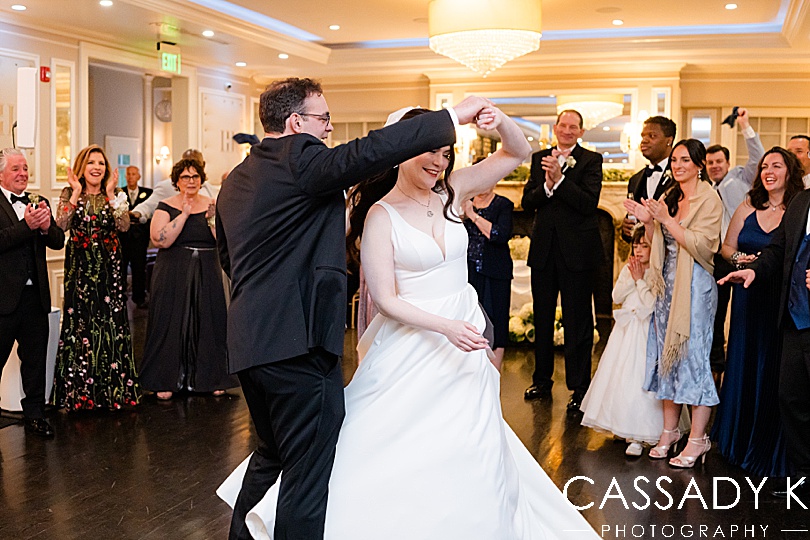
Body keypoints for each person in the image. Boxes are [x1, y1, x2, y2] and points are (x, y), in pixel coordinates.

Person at [219, 103, 600, 540]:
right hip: (416, 340)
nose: (439, 162)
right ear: (403, 149)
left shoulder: (454, 191)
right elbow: (384, 298)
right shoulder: (382, 213)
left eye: (445, 153)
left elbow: (516, 153)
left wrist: (499, 120)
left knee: (470, 442)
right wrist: (445, 326)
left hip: (466, 348)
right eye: (430, 152)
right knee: (385, 443)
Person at [215, 77, 494, 540]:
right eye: (323, 119)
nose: (329, 130)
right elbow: (366, 152)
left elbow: (231, 260)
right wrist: (451, 117)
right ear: (295, 122)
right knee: (306, 474)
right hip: (298, 344)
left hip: (250, 343)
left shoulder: (238, 178)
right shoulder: (299, 159)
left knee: (271, 456)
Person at [624, 139, 722, 467]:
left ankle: (698, 438)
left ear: (699, 165)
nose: (677, 166)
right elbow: (657, 245)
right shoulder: (671, 196)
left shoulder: (709, 198)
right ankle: (670, 431)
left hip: (695, 290)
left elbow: (704, 246)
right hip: (666, 289)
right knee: (666, 357)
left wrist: (665, 220)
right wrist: (649, 222)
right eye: (675, 160)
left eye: (684, 160)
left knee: (693, 359)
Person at [719, 163, 810, 500]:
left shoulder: (796, 199)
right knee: (791, 397)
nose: (769, 170)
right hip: (791, 316)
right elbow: (777, 250)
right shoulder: (802, 204)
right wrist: (753, 270)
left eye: (777, 165)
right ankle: (802, 475)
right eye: (765, 166)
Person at [522, 109, 604, 412]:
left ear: (581, 132)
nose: (567, 130)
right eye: (563, 125)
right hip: (544, 251)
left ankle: (580, 388)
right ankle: (541, 381)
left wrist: (559, 180)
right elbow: (528, 201)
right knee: (542, 319)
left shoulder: (591, 161)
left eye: (574, 127)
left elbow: (587, 203)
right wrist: (546, 185)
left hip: (578, 255)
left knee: (578, 323)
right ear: (555, 128)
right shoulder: (538, 157)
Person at [138, 158, 237, 400]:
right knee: (170, 322)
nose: (191, 181)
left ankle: (212, 378)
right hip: (173, 270)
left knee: (209, 322)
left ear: (201, 179)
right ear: (177, 181)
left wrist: (212, 219)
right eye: (185, 177)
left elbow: (222, 241)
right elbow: (160, 240)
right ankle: (165, 379)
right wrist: (183, 215)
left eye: (195, 177)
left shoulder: (213, 204)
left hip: (207, 269)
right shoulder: (165, 206)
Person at [54, 144, 140, 411]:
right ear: (82, 167)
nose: (96, 167)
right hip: (79, 269)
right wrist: (76, 193)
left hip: (108, 269)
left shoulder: (114, 195)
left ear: (106, 169)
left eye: (101, 163)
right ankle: (78, 394)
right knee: (80, 324)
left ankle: (113, 392)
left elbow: (124, 225)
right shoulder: (70, 193)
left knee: (110, 323)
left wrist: (113, 194)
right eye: (91, 162)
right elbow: (61, 225)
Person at [580, 225, 662, 456]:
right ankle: (619, 424)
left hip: (645, 332)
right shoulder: (630, 268)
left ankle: (638, 433)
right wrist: (630, 275)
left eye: (643, 246)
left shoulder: (656, 271)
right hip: (625, 330)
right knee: (618, 376)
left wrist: (640, 279)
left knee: (638, 378)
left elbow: (648, 307)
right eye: (635, 246)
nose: (638, 251)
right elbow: (616, 296)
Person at [0, 148, 64, 437]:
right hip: (3, 299)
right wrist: (27, 226)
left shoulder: (38, 202)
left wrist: (48, 227)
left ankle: (35, 416)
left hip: (35, 298)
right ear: (1, 173)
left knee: (35, 361)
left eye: (25, 168)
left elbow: (58, 242)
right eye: (16, 169)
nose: (23, 173)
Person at [705, 108, 765, 379]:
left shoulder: (741, 177)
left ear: (727, 162)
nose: (714, 166)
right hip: (716, 258)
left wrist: (745, 126)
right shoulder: (705, 188)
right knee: (715, 313)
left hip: (742, 253)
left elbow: (758, 157)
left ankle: (740, 366)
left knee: (741, 311)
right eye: (710, 163)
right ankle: (716, 364)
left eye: (719, 161)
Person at [461, 183, 513, 370]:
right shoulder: (463, 203)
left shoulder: (503, 205)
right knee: (470, 321)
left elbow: (499, 235)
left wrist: (473, 215)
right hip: (467, 273)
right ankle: (471, 370)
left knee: (497, 320)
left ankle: (494, 373)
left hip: (495, 272)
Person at [621, 116, 677, 242]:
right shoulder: (635, 180)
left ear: (669, 141)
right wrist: (626, 228)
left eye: (652, 136)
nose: (644, 141)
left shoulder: (679, 175)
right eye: (643, 136)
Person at [130, 149, 216, 224]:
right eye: (187, 164)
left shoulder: (211, 190)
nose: (191, 169)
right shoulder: (167, 186)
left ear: (203, 165)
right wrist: (136, 213)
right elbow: (148, 206)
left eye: (196, 165)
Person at [120, 165, 153, 308]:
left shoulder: (148, 193)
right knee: (120, 268)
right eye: (128, 174)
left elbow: (151, 215)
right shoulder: (119, 193)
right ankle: (120, 297)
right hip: (123, 238)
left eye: (134, 174)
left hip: (140, 239)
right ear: (125, 176)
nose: (131, 177)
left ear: (138, 176)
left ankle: (139, 298)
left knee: (139, 269)